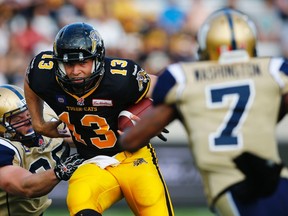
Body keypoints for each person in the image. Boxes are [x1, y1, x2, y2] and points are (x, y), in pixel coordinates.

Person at [120, 8, 288, 216]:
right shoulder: (274, 69)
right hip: (278, 179)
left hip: (230, 186)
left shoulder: (183, 78)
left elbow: (130, 141)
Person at [24, 22, 174, 216]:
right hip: (91, 159)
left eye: (82, 62)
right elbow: (30, 80)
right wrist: (38, 123)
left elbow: (160, 86)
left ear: (97, 59)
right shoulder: (43, 73)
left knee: (152, 202)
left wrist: (156, 116)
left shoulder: (121, 77)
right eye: (69, 63)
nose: (75, 70)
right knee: (79, 200)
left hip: (134, 157)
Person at [0, 84, 84, 216]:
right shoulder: (4, 148)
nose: (29, 121)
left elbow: (82, 138)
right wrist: (62, 170)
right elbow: (25, 186)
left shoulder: (45, 119)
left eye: (28, 113)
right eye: (18, 118)